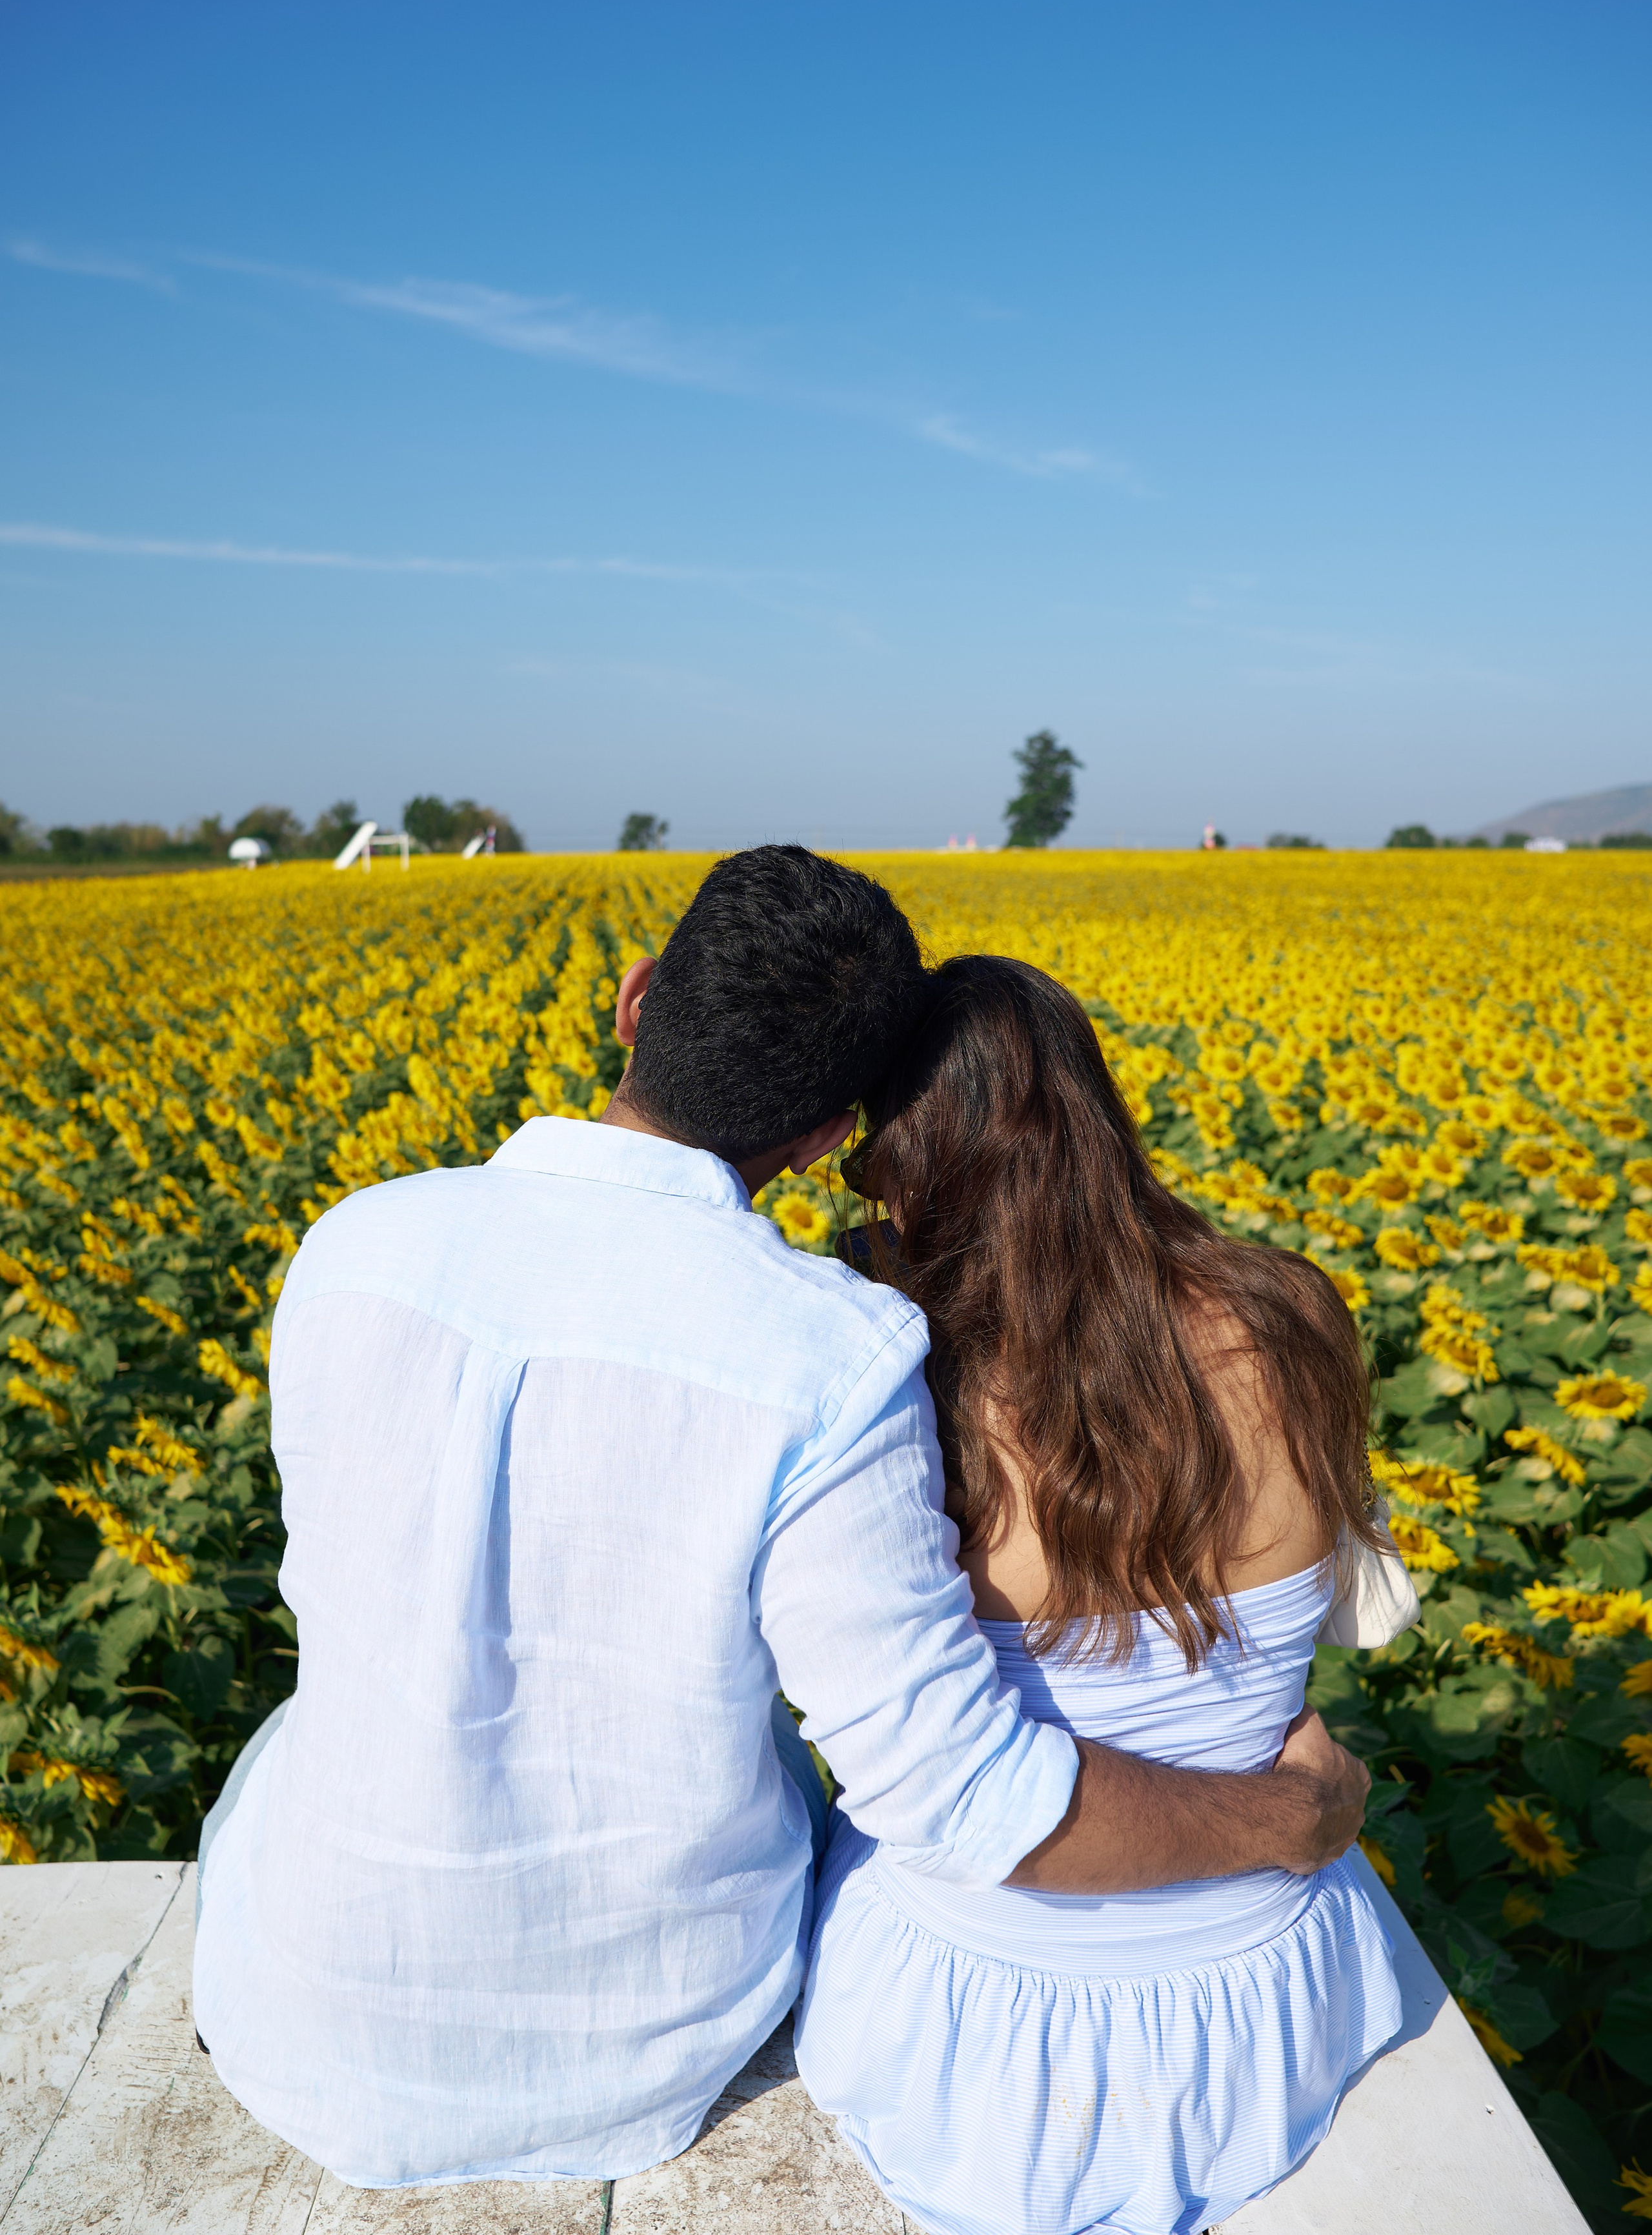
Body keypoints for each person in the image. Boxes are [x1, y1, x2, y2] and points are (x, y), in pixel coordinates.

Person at [193, 849, 1369, 2190]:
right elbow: (955, 1794)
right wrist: (1285, 1820)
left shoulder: (354, 1243)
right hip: (635, 2045)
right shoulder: (830, 1356)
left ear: (637, 999)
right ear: (822, 1142)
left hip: (296, 2002)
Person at [797, 953, 1406, 2235]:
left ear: (903, 1162)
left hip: (972, 2035)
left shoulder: (897, 1371)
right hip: (1264, 2000)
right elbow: (1345, 1600)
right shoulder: (1292, 1314)